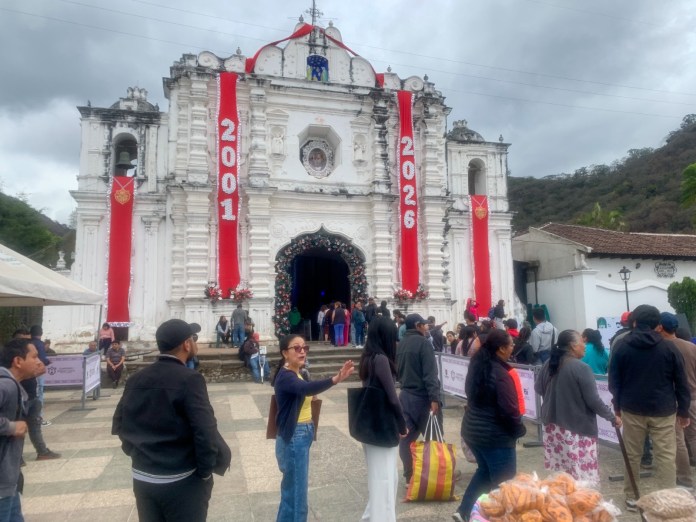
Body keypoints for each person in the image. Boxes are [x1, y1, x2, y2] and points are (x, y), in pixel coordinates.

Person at [112, 319, 231, 522]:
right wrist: (203, 472)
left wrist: (140, 456)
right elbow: (205, 431)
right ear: (186, 344)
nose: (195, 343)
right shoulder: (190, 379)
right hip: (181, 479)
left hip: (143, 477)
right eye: (193, 339)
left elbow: (119, 424)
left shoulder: (136, 378)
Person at [608, 304, 691, 512]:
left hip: (632, 407)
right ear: (658, 325)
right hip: (663, 409)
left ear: (634, 322)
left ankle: (632, 497)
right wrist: (683, 411)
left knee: (633, 454)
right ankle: (666, 499)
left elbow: (614, 381)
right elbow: (681, 382)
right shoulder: (669, 347)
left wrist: (617, 407)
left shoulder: (622, 346)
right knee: (665, 455)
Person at [272, 335, 354, 521]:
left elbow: (306, 392)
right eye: (297, 348)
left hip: (301, 434)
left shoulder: (298, 372)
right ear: (285, 353)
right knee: (298, 495)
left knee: (291, 492)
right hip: (295, 437)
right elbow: (306, 389)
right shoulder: (285, 376)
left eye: (304, 347)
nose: (302, 351)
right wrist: (336, 378)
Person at [453, 330, 526, 522]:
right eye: (511, 345)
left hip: (473, 431)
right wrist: (519, 429)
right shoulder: (501, 374)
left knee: (484, 472)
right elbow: (510, 410)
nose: (513, 347)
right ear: (501, 349)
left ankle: (464, 511)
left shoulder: (478, 365)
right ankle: (498, 517)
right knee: (505, 484)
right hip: (494, 436)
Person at [535, 330, 621, 487]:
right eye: (582, 343)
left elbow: (538, 388)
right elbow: (593, 401)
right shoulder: (581, 368)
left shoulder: (549, 363)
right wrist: (612, 417)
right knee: (582, 480)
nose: (585, 346)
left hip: (554, 429)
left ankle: (563, 505)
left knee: (561, 478)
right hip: (577, 430)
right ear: (573, 346)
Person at [357, 316, 408, 522]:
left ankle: (371, 516)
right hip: (383, 425)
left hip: (370, 424)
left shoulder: (367, 357)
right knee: (385, 478)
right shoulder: (381, 359)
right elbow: (392, 397)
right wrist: (402, 424)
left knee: (381, 476)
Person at [0, 338, 44, 521]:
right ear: (18, 361)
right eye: (34, 356)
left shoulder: (12, 384)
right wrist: (10, 426)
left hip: (9, 478)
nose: (39, 361)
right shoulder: (5, 385)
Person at [396, 313, 441, 483]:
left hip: (405, 395)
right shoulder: (423, 343)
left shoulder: (401, 344)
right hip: (423, 398)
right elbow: (430, 374)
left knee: (406, 438)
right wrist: (434, 398)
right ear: (417, 325)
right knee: (433, 437)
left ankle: (409, 475)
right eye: (424, 324)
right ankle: (437, 474)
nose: (426, 326)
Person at [657, 312, 696, 488]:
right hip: (694, 396)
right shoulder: (691, 346)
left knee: (678, 440)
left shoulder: (662, 348)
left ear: (661, 327)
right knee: (693, 437)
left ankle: (685, 477)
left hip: (676, 399)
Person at [12, 329, 61, 461]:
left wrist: (28, 372)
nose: (29, 342)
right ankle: (17, 457)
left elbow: (42, 368)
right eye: (25, 340)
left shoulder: (30, 355)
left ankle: (42, 451)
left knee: (35, 426)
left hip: (33, 396)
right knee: (18, 428)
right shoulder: (9, 358)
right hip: (19, 399)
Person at [29, 325, 51, 426]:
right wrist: (47, 361)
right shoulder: (39, 344)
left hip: (27, 372)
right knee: (39, 394)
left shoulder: (27, 343)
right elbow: (42, 359)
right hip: (38, 372)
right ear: (41, 333)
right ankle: (38, 417)